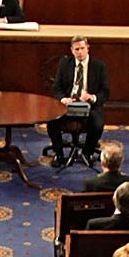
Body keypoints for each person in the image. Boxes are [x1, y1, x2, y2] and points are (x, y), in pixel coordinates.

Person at [50, 36, 108, 165]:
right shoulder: (65, 64)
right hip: (68, 105)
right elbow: (56, 88)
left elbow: (105, 92)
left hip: (89, 106)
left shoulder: (99, 66)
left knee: (98, 124)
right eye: (77, 49)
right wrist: (63, 99)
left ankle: (87, 152)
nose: (80, 52)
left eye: (82, 48)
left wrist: (92, 97)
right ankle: (58, 154)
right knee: (52, 121)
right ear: (72, 50)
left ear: (88, 48)